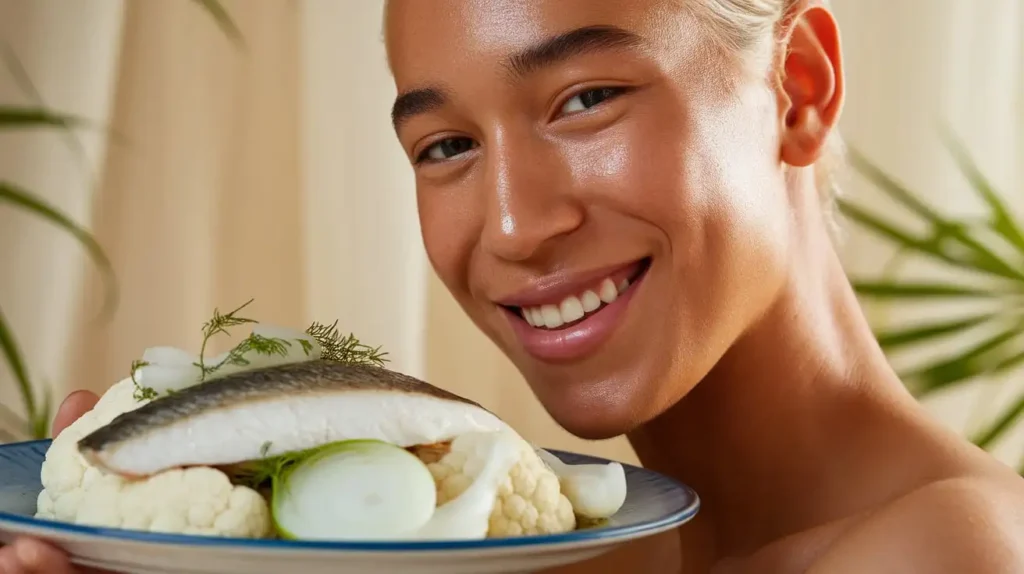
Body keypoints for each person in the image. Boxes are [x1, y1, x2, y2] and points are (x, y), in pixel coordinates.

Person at [4, 0, 1024, 572]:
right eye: (445, 144)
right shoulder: (559, 552)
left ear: (797, 87)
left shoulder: (946, 550)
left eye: (585, 99)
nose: (510, 224)